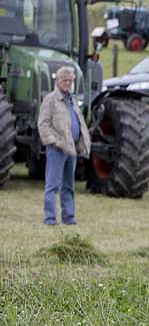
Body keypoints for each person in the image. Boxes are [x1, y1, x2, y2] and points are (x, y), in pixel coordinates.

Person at [37, 66, 90, 225]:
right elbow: (43, 124)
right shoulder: (51, 99)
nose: (67, 83)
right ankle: (50, 218)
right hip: (56, 149)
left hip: (71, 148)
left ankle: (69, 217)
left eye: (70, 80)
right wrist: (54, 142)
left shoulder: (72, 100)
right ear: (57, 81)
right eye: (64, 80)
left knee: (68, 186)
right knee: (53, 185)